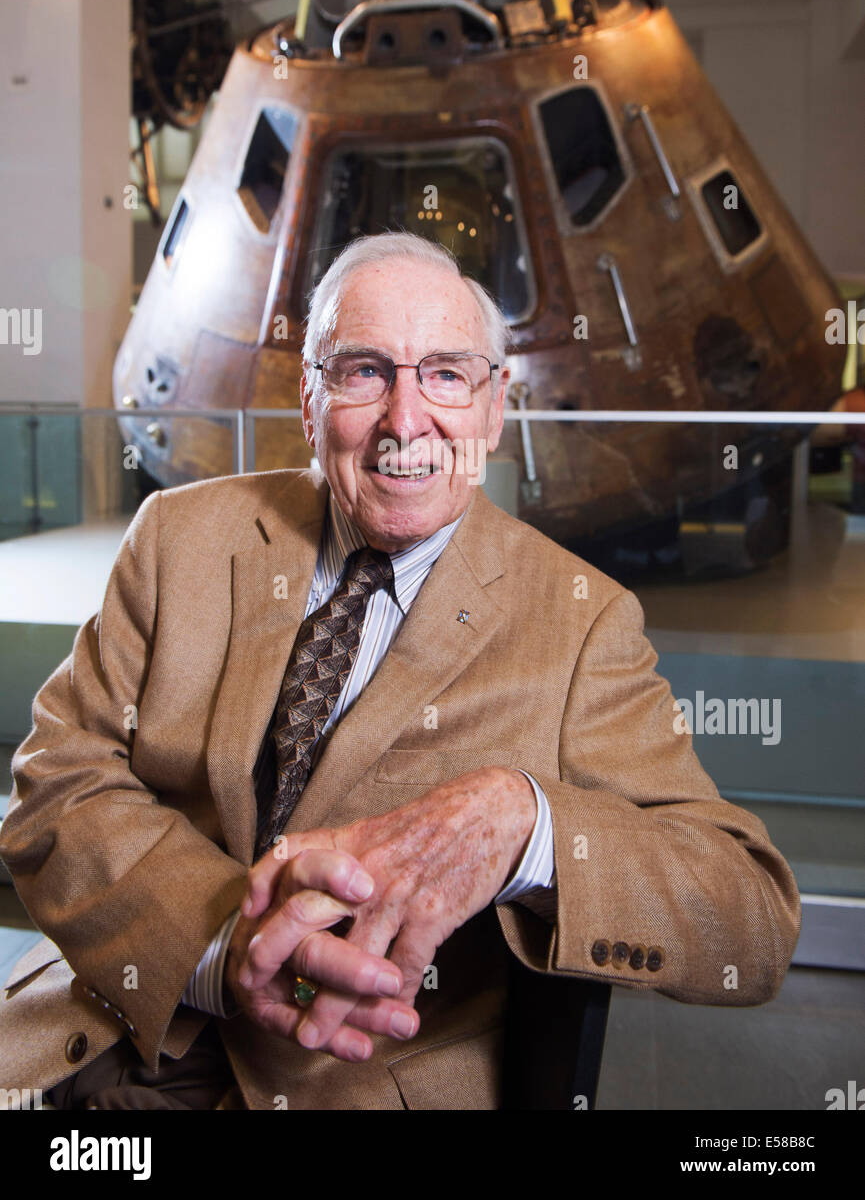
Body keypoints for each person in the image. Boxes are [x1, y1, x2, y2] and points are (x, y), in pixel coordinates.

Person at [0, 232, 800, 1110]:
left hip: (346, 1084)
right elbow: (57, 781)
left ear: (494, 410)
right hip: (105, 1031)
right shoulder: (178, 538)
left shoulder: (581, 623)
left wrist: (526, 824)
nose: (406, 419)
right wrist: (219, 945)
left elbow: (749, 917)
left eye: (447, 375)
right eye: (364, 371)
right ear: (309, 402)